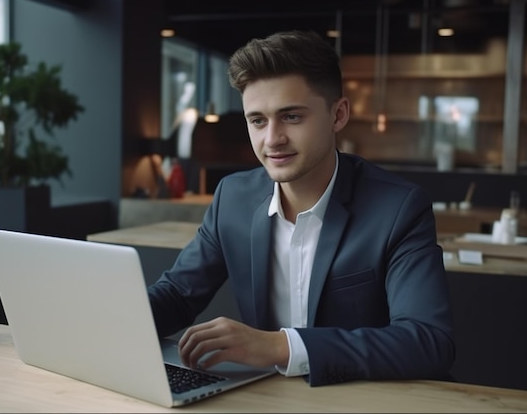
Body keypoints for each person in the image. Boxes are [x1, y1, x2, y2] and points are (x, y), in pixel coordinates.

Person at [147, 29, 455, 386]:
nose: (272, 139)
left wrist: (280, 346)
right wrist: (98, 323)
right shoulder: (233, 198)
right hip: (268, 399)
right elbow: (176, 295)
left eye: (291, 117)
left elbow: (428, 342)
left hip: (363, 401)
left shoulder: (398, 207)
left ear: (338, 115)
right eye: (257, 120)